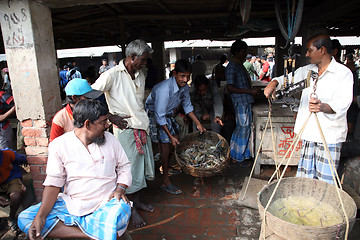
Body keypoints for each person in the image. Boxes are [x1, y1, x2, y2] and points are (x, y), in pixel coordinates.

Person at [17, 99, 132, 240]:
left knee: (122, 213)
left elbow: (124, 166)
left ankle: (101, 232)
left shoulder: (111, 140)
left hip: (106, 202)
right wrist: (41, 217)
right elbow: (54, 183)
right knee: (26, 218)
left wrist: (120, 189)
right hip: (73, 204)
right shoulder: (59, 145)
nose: (106, 126)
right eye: (103, 122)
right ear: (87, 124)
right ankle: (93, 234)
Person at [264, 34, 353, 185]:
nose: (306, 54)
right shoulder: (308, 71)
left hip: (329, 136)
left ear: (322, 50)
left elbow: (343, 103)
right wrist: (273, 83)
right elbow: (287, 79)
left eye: (309, 50)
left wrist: (323, 107)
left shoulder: (343, 73)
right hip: (309, 133)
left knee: (325, 182)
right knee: (306, 179)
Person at [92, 39, 155, 228]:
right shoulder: (111, 74)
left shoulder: (140, 74)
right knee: (128, 168)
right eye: (142, 60)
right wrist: (110, 117)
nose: (144, 64)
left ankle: (138, 201)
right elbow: (91, 95)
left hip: (142, 125)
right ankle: (131, 208)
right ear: (131, 57)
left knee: (141, 167)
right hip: (126, 128)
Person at [145, 59, 206, 194]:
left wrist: (198, 123)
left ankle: (164, 166)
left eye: (188, 76)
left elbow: (187, 105)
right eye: (182, 76)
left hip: (168, 114)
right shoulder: (163, 89)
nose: (186, 79)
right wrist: (170, 136)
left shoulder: (184, 87)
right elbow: (160, 117)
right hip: (156, 115)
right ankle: (165, 181)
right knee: (166, 144)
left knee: (175, 141)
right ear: (174, 74)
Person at [226, 40, 260, 165]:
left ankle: (238, 155)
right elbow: (230, 87)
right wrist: (250, 92)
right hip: (241, 102)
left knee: (242, 129)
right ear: (236, 52)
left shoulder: (239, 65)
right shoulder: (232, 66)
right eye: (243, 51)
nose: (245, 54)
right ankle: (237, 157)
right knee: (243, 129)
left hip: (245, 101)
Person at [0, 149, 27, 234]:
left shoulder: (8, 154)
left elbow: (24, 159)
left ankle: (11, 217)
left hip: (11, 179)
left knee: (16, 195)